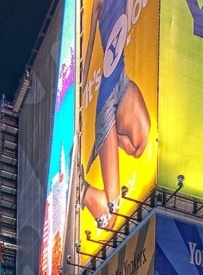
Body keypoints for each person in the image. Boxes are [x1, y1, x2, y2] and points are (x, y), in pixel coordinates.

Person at [80, 0, 151, 229]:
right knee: (111, 216)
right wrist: (81, 88)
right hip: (106, 101)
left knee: (139, 145)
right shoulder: (98, 2)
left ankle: (108, 142)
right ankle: (84, 191)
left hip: (121, 78)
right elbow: (89, 47)